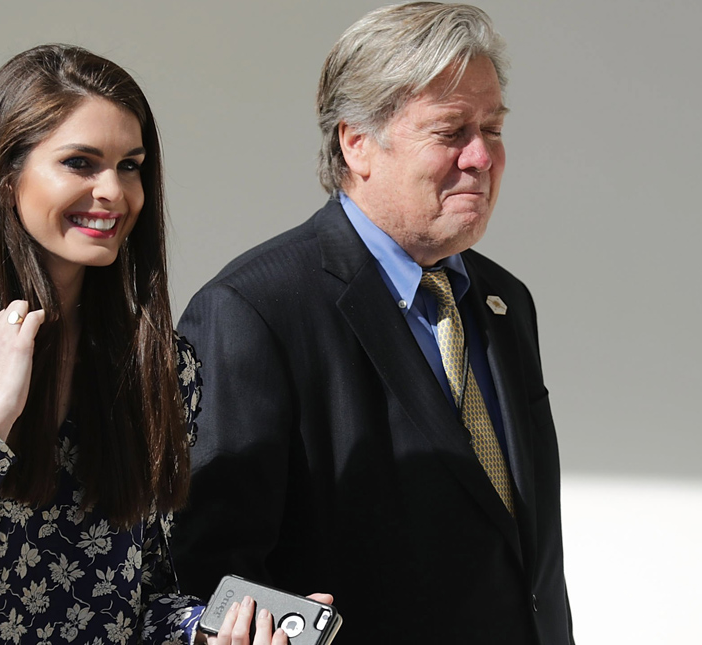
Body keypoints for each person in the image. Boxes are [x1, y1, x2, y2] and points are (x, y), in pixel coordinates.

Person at [0, 44, 319, 645]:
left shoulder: (155, 365)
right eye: (80, 162)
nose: (113, 191)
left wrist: (212, 633)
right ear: (6, 177)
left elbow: (134, 599)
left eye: (130, 166)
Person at [173, 3, 575, 644]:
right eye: (450, 132)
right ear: (356, 143)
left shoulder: (503, 301)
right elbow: (211, 576)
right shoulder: (254, 310)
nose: (480, 157)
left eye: (492, 129)